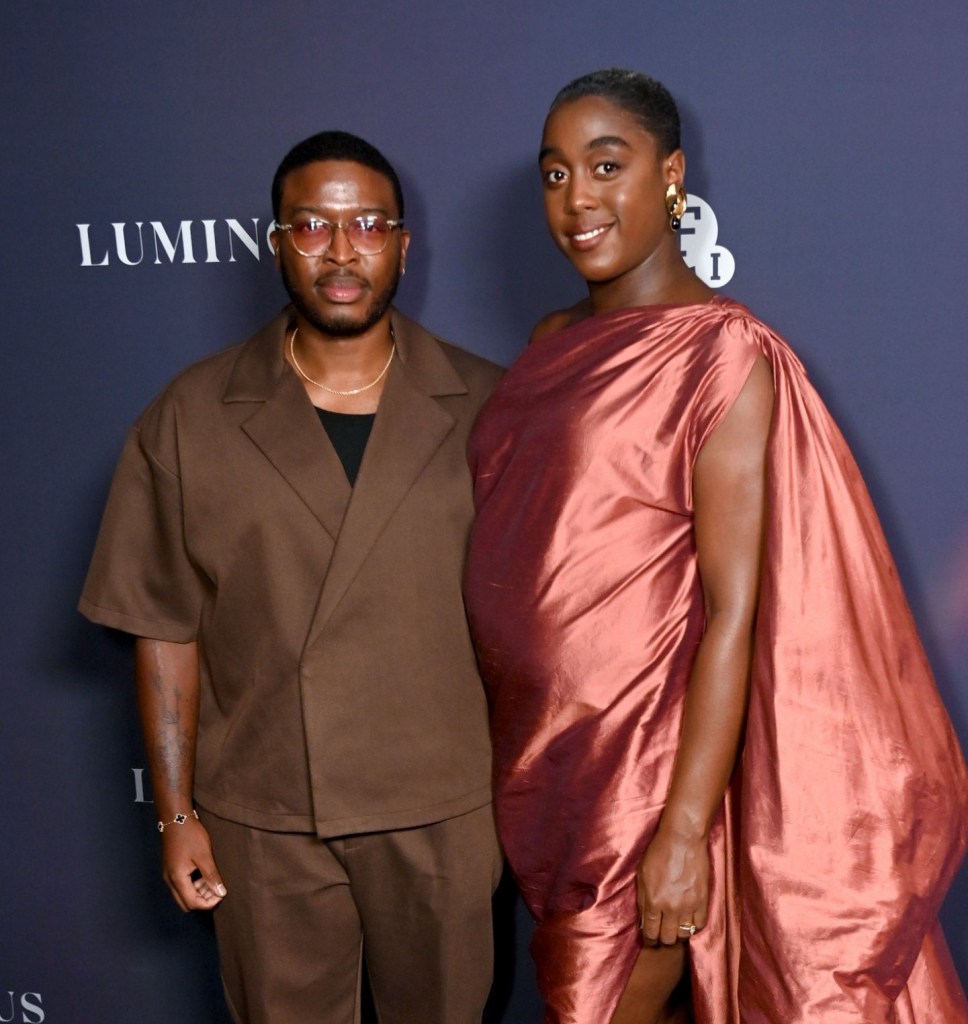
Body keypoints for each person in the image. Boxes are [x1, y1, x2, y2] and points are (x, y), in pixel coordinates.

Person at [464, 69, 968, 1024]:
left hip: (647, 782)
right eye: (556, 173)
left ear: (671, 176)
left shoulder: (722, 353)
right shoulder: (548, 340)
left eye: (607, 165)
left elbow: (737, 607)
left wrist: (685, 831)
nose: (578, 199)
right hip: (547, 763)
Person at [80, 130, 503, 1024]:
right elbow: (164, 630)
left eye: (367, 225)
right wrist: (175, 815)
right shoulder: (190, 416)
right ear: (276, 241)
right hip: (265, 817)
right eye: (312, 225)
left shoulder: (492, 405)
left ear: (401, 243)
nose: (341, 252)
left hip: (444, 811)